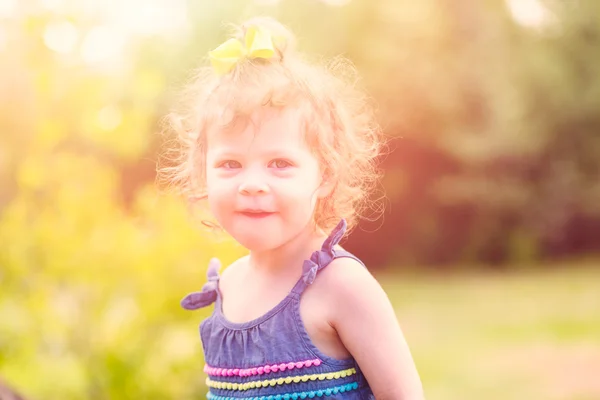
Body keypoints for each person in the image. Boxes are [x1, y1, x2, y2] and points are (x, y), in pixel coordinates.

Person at [164, 16, 423, 400]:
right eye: (230, 164)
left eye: (280, 164)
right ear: (203, 175)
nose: (252, 183)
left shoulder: (341, 287)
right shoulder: (228, 288)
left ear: (325, 176)